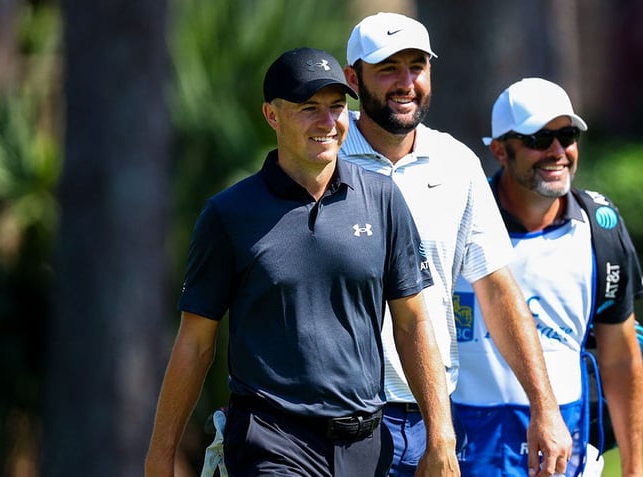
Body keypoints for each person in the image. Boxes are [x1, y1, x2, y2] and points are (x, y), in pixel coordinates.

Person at [144, 47, 459, 477]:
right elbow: (195, 344)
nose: (327, 123)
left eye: (336, 107)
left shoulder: (383, 200)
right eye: (309, 109)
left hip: (366, 442)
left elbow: (414, 323)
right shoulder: (229, 214)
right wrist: (160, 456)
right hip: (271, 440)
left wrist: (441, 438)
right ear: (272, 116)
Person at [340, 12, 572, 477]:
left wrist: (544, 406)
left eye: (417, 67)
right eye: (388, 68)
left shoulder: (457, 163)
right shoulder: (326, 154)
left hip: (433, 423)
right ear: (352, 78)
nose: (406, 83)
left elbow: (498, 289)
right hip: (340, 421)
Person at [451, 77, 643, 476]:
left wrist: (633, 468)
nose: (558, 151)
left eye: (567, 135)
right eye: (539, 139)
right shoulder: (457, 219)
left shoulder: (601, 229)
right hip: (468, 448)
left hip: (564, 449)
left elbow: (620, 357)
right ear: (499, 151)